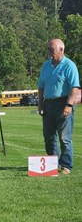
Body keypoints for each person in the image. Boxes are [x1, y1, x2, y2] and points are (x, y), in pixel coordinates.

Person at [37, 38, 80, 175]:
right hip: (48, 104)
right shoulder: (46, 65)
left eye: (52, 50)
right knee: (49, 137)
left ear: (61, 50)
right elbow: (41, 87)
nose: (49, 53)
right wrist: (40, 103)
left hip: (63, 103)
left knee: (64, 138)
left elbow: (74, 87)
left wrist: (69, 104)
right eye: (48, 49)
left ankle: (66, 166)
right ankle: (51, 164)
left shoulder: (69, 65)